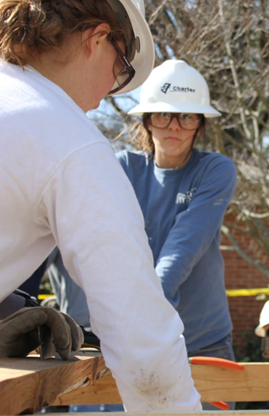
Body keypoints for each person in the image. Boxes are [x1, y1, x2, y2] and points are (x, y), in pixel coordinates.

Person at [0, 0, 201, 412]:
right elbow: (141, 337)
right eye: (121, 70)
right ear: (96, 39)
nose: (107, 93)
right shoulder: (67, 138)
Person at [50, 59, 237, 410]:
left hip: (199, 342)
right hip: (122, 342)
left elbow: (183, 246)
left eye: (187, 116)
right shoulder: (122, 168)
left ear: (200, 124)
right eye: (163, 115)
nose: (175, 127)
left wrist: (136, 319)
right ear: (147, 119)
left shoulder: (215, 170)